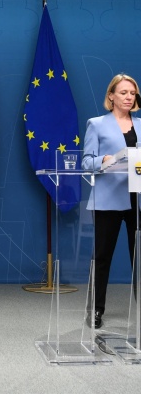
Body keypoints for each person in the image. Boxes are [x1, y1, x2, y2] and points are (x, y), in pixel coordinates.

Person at [82, 73, 141, 329]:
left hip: (137, 199)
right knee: (103, 256)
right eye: (123, 93)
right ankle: (96, 310)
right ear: (111, 96)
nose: (129, 97)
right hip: (109, 199)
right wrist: (104, 160)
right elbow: (87, 162)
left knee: (138, 258)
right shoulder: (96, 124)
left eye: (132, 93)